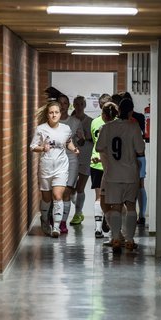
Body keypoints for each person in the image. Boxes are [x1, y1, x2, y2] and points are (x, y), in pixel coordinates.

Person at [96, 98, 145, 252]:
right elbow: (140, 150)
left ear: (118, 111)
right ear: (130, 111)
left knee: (115, 207)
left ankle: (116, 238)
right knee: (131, 206)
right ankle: (129, 240)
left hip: (112, 174)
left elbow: (99, 147)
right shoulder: (133, 127)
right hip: (130, 174)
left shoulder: (107, 127)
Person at [30, 101, 79, 238]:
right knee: (46, 199)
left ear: (60, 113)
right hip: (46, 168)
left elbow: (68, 142)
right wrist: (42, 148)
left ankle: (56, 227)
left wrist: (74, 149)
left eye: (56, 112)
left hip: (61, 167)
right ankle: (45, 220)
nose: (54, 115)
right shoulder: (41, 129)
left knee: (58, 196)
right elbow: (33, 147)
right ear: (47, 114)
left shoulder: (66, 128)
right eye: (51, 112)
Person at [58, 94, 85, 234]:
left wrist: (81, 139)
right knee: (57, 193)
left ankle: (63, 223)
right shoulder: (51, 121)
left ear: (68, 106)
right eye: (60, 103)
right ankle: (54, 219)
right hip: (55, 160)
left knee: (67, 191)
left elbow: (81, 142)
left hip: (71, 159)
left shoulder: (75, 121)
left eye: (65, 103)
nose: (62, 106)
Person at [120, 91, 147, 226]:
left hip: (126, 157)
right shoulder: (140, 117)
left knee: (128, 186)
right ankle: (140, 214)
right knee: (139, 185)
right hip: (138, 155)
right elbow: (143, 139)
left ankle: (137, 214)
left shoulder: (117, 122)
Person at [90, 93, 112, 238]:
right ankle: (105, 221)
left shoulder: (94, 122)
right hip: (110, 164)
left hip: (96, 161)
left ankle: (98, 228)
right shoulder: (117, 123)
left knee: (99, 196)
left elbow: (94, 140)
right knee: (110, 197)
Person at [69, 96, 93, 225]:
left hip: (86, 157)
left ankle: (78, 213)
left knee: (80, 187)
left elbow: (95, 139)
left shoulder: (90, 121)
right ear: (73, 105)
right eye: (76, 104)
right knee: (70, 188)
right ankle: (78, 208)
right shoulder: (70, 121)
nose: (78, 106)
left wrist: (86, 137)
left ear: (84, 105)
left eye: (81, 104)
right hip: (72, 158)